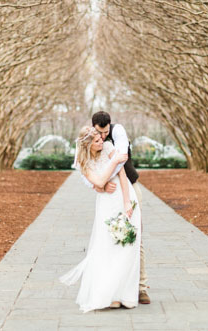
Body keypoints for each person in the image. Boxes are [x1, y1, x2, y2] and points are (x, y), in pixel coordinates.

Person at [60, 126, 141, 312]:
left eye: (101, 139)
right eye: (96, 141)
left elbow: (122, 173)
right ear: (87, 145)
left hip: (124, 195)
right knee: (108, 245)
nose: (101, 142)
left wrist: (127, 201)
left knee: (129, 244)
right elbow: (98, 181)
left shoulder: (107, 147)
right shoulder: (83, 162)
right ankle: (111, 295)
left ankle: (126, 295)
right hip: (106, 203)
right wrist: (113, 164)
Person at [85, 111, 150, 305]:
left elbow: (119, 159)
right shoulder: (88, 139)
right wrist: (99, 185)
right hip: (107, 195)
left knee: (135, 236)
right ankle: (115, 287)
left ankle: (141, 288)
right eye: (99, 132)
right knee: (110, 238)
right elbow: (82, 169)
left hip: (129, 188)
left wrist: (103, 180)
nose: (103, 136)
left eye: (105, 132)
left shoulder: (118, 132)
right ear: (93, 127)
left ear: (110, 126)